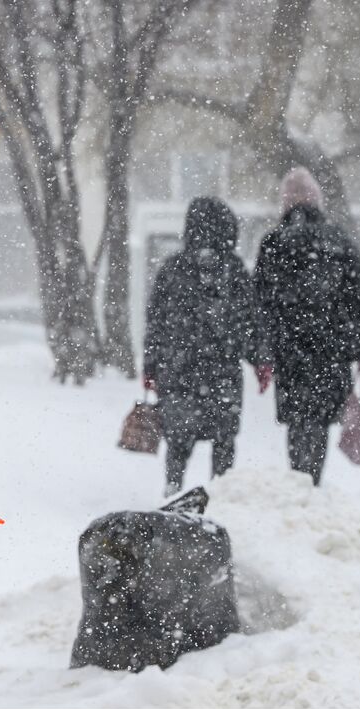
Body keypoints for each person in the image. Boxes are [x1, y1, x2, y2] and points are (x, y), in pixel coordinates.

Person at [254, 167, 360, 485]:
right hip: (329, 354)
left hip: (290, 354)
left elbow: (261, 305)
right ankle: (312, 481)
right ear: (317, 202)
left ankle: (300, 479)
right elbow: (358, 300)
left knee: (299, 421)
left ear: (285, 204)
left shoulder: (273, 244)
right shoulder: (339, 242)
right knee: (319, 421)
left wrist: (264, 352)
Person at [142, 197, 264, 496]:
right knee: (223, 441)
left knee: (178, 440)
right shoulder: (234, 272)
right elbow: (249, 321)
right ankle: (220, 496)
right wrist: (259, 359)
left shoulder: (172, 269)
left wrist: (151, 365)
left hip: (178, 370)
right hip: (222, 372)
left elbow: (155, 322)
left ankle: (173, 489)